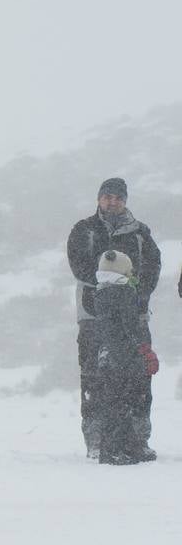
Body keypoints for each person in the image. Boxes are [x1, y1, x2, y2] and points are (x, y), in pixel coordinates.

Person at [66, 177, 161, 459]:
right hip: (92, 316)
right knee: (93, 376)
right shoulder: (84, 229)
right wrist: (107, 288)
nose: (112, 201)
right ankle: (96, 438)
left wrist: (134, 295)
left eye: (118, 197)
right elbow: (78, 265)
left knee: (139, 375)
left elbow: (153, 268)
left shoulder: (141, 233)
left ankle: (137, 437)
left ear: (125, 201)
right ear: (99, 199)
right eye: (107, 196)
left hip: (135, 317)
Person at [88, 250, 159, 465]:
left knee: (112, 403)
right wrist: (145, 351)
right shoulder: (125, 294)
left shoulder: (100, 293)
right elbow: (131, 327)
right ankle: (120, 450)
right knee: (128, 402)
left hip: (107, 357)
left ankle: (115, 448)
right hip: (125, 357)